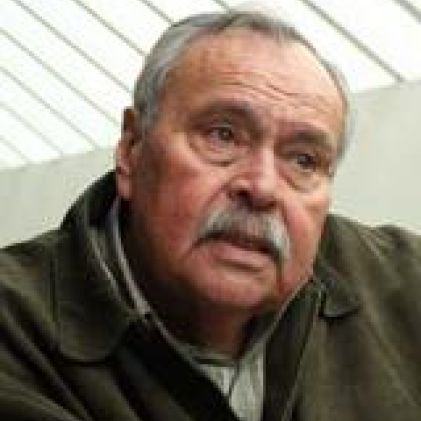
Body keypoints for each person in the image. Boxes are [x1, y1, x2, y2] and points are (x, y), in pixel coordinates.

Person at [0, 9, 420, 421]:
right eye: (223, 135)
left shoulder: (405, 283)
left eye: (303, 160)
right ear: (131, 148)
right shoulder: (16, 329)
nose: (262, 187)